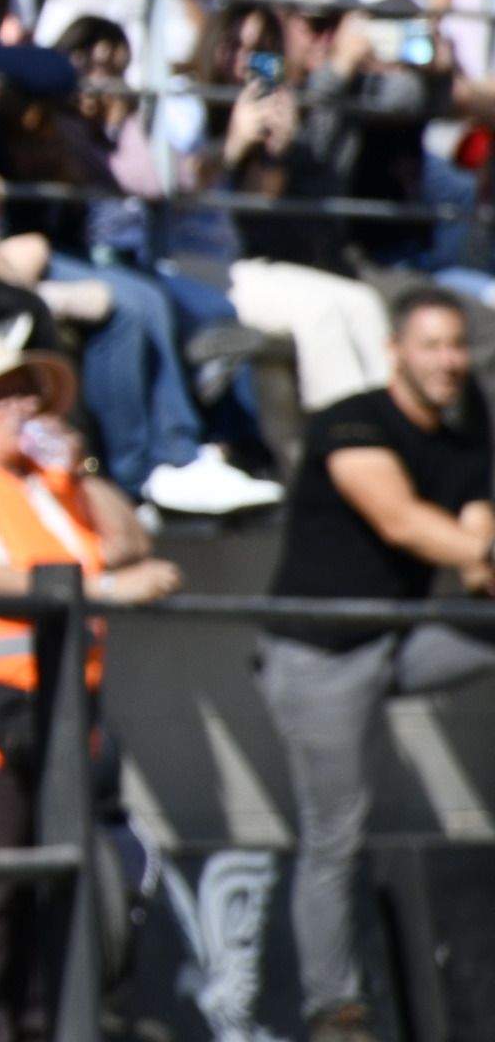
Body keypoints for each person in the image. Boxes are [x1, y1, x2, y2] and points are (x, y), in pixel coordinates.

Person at [0, 321, 182, 1042]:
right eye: (6, 396)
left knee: (37, 891)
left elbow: (130, 542)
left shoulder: (45, 487)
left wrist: (81, 469)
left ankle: (31, 1027)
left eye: (30, 393)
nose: (26, 408)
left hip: (50, 719)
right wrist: (104, 592)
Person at [258, 287, 495, 1042]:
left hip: (399, 641)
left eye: (457, 344)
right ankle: (335, 1011)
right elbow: (405, 522)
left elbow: (477, 560)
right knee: (336, 831)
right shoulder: (352, 421)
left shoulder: (467, 437)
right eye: (431, 344)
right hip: (318, 655)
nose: (448, 361)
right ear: (395, 348)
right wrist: (478, 550)